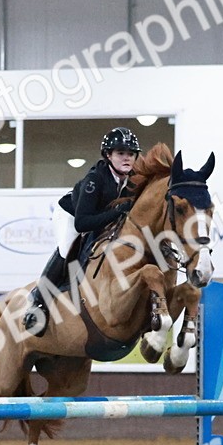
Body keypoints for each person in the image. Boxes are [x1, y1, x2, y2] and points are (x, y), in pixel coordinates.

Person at [21, 126, 141, 336]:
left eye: (130, 154)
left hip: (99, 217)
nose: (127, 158)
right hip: (71, 215)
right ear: (108, 155)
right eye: (120, 153)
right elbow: (82, 223)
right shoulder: (95, 180)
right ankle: (38, 302)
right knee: (67, 248)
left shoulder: (132, 179)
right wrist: (118, 212)